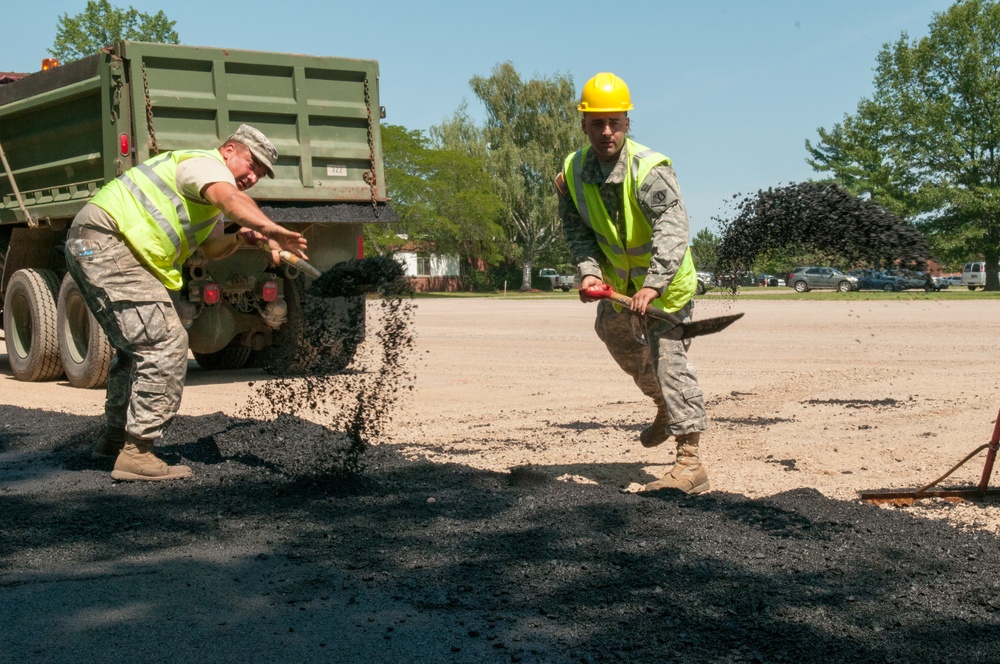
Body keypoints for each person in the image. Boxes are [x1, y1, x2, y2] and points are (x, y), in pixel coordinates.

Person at [64, 124, 309, 482]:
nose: (253, 176)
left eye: (261, 173)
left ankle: (114, 441)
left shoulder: (206, 198)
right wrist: (270, 227)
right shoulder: (202, 165)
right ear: (229, 151)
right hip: (107, 242)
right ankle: (137, 453)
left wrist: (244, 237)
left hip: (100, 244)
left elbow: (211, 248)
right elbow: (231, 200)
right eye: (251, 164)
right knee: (166, 341)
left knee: (136, 348)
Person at [555, 73, 709, 495]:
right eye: (597, 123)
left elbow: (673, 230)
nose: (607, 132)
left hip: (665, 290)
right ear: (583, 124)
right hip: (618, 289)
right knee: (616, 339)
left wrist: (654, 285)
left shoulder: (649, 170)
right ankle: (663, 403)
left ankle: (690, 463)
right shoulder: (572, 171)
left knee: (668, 362)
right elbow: (577, 231)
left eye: (616, 122)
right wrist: (588, 271)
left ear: (627, 122)